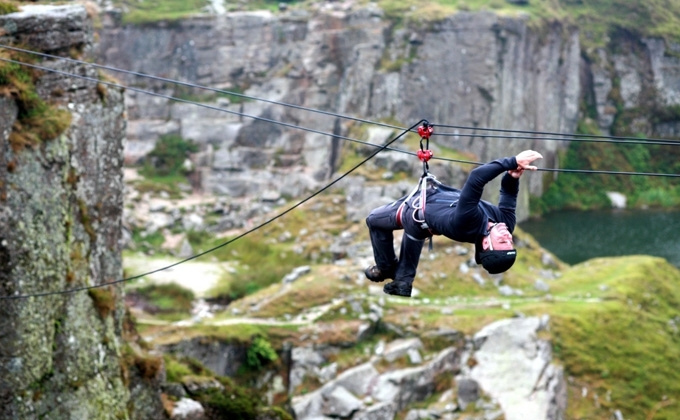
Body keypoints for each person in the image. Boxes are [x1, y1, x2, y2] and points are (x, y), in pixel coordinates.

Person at [364, 150, 543, 297]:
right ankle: (403, 281)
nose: (508, 236)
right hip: (428, 220)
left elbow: (477, 177)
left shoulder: (468, 222)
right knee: (416, 234)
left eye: (503, 242)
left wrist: (511, 161)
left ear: (487, 244)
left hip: (416, 212)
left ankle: (386, 269)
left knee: (374, 220)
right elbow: (508, 196)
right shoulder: (504, 224)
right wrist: (512, 176)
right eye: (510, 242)